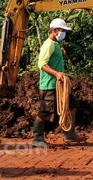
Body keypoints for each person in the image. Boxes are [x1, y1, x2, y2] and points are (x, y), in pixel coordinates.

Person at [32, 18, 81, 147]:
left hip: (58, 85)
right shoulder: (48, 45)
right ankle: (37, 139)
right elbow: (42, 64)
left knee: (72, 106)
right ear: (54, 30)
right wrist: (57, 74)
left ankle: (70, 136)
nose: (63, 33)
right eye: (62, 30)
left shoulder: (55, 45)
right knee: (45, 112)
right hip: (50, 85)